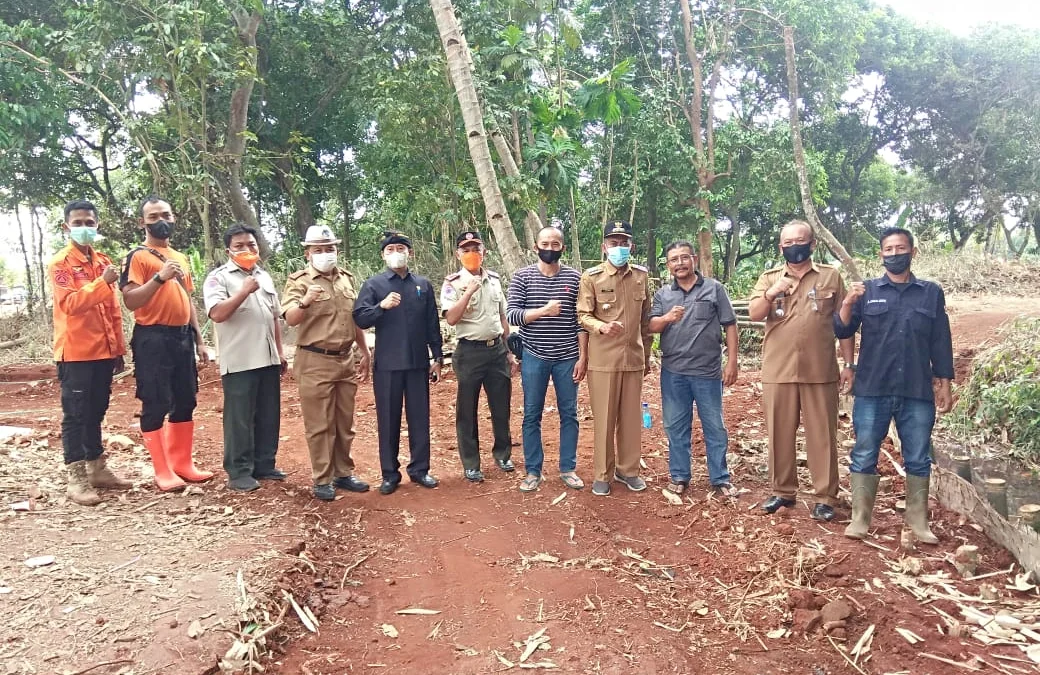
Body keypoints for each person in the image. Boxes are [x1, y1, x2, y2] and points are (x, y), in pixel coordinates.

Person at [834, 226, 954, 543]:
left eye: (901, 249)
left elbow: (941, 339)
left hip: (916, 389)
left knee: (917, 456)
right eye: (889, 249)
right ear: (881, 254)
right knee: (864, 453)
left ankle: (918, 522)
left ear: (913, 252)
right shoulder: (867, 291)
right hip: (873, 387)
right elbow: (841, 328)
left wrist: (944, 382)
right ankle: (860, 519)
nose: (895, 254)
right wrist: (847, 301)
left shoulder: (930, 292)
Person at [748, 220, 853, 521]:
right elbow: (755, 314)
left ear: (812, 244)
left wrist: (849, 364)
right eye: (788, 242)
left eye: (801, 240)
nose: (795, 246)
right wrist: (772, 293)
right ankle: (783, 492)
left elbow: (843, 325)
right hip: (778, 370)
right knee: (779, 432)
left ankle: (825, 496)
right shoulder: (769, 278)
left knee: (822, 434)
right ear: (781, 247)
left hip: (819, 369)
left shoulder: (831, 277)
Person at [119, 196, 212, 491]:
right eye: (153, 216)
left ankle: (182, 463)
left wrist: (199, 339)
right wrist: (159, 278)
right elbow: (131, 300)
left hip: (182, 337)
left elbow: (186, 299)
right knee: (156, 401)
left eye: (166, 214)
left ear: (174, 218)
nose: (161, 220)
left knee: (186, 399)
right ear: (142, 222)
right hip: (153, 337)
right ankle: (162, 470)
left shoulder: (180, 257)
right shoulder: (138, 256)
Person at [49, 200, 132, 506]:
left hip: (103, 352)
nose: (85, 227)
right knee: (76, 414)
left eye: (90, 222)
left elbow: (111, 309)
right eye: (78, 222)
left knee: (96, 409)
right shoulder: (61, 264)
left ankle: (97, 467)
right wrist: (101, 282)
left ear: (98, 225)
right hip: (76, 352)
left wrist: (118, 348)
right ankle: (76, 477)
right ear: (66, 227)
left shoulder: (102, 261)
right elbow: (69, 304)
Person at [282, 225, 372, 501]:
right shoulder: (298, 282)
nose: (325, 254)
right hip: (314, 360)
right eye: (318, 250)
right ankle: (322, 478)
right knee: (320, 424)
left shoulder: (345, 279)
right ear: (308, 253)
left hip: (345, 359)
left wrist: (364, 351)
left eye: (330, 248)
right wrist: (306, 301)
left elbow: (354, 317)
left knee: (345, 422)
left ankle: (343, 472)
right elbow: (291, 319)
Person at [352, 231, 443, 495]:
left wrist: (437, 357)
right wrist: (381, 306)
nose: (396, 253)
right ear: (383, 255)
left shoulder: (423, 285)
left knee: (419, 418)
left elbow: (432, 324)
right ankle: (390, 474)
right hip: (388, 364)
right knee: (388, 420)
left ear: (410, 253)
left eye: (400, 248)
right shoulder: (374, 285)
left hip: (417, 363)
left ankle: (420, 470)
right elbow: (360, 318)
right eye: (390, 249)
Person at [649, 241, 740, 497]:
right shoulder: (663, 295)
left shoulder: (714, 289)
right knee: (676, 426)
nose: (679, 263)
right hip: (673, 371)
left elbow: (730, 325)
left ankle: (720, 478)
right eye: (673, 259)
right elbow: (651, 326)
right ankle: (679, 476)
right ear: (668, 265)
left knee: (714, 426)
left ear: (694, 259)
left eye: (684, 258)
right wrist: (667, 318)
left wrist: (732, 361)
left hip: (707, 372)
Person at [204, 224, 287, 493]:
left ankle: (264, 464)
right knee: (239, 417)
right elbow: (216, 314)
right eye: (239, 246)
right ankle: (238, 471)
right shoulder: (218, 278)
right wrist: (243, 291)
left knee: (268, 413)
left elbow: (274, 316)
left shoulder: (264, 276)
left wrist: (280, 350)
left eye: (251, 245)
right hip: (240, 359)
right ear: (228, 250)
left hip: (268, 356)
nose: (247, 250)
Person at [506, 225, 587, 493]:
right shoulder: (522, 278)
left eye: (555, 244)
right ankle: (533, 470)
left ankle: (568, 468)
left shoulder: (576, 279)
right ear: (535, 247)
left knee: (569, 413)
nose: (549, 248)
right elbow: (513, 315)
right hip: (533, 355)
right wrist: (544, 310)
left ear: (562, 247)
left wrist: (582, 356)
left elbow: (581, 321)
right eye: (545, 244)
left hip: (567, 357)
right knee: (531, 414)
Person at [576, 219, 652, 497]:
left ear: (631, 245)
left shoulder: (642, 276)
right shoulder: (592, 277)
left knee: (631, 420)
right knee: (604, 420)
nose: (619, 247)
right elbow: (583, 315)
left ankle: (628, 470)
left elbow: (646, 319)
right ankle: (602, 474)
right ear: (604, 246)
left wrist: (648, 355)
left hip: (633, 358)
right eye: (613, 243)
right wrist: (601, 327)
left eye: (624, 243)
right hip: (603, 359)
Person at [441, 230, 518, 483]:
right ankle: (471, 463)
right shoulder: (452, 283)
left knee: (501, 406)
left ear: (484, 252)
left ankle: (502, 453)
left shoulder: (494, 280)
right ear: (458, 254)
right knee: (467, 410)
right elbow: (451, 318)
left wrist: (508, 352)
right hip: (469, 352)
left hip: (496, 350)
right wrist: (468, 292)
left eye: (477, 249)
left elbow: (503, 317)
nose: (472, 254)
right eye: (466, 250)